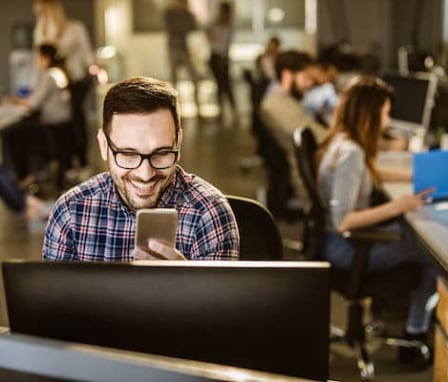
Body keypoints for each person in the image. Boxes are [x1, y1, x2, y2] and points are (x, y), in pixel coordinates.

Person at [42, 76, 240, 262]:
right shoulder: (70, 212)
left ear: (178, 143)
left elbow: (216, 300)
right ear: (104, 146)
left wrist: (187, 283)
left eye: (161, 153)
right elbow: (53, 299)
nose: (145, 174)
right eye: (128, 155)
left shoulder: (208, 214)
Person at [316, 75, 438, 365]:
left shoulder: (342, 142)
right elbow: (344, 220)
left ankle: (406, 323)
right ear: (369, 114)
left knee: (413, 234)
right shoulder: (351, 155)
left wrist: (411, 176)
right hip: (346, 248)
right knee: (432, 254)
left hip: (336, 241)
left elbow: (367, 176)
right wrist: (401, 204)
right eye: (384, 112)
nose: (387, 119)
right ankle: (415, 334)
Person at [33, 0, 96, 173]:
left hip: (75, 82)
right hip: (53, 85)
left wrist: (94, 70)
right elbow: (40, 59)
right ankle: (66, 163)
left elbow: (87, 54)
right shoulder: (40, 30)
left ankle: (83, 161)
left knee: (76, 120)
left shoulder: (74, 29)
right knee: (61, 126)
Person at [260, 50, 327, 211]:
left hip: (314, 174)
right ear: (288, 75)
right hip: (306, 187)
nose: (310, 84)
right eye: (306, 78)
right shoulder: (276, 105)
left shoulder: (286, 100)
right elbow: (322, 137)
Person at [2, 43, 72, 189]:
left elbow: (34, 103)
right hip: (55, 122)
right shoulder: (54, 73)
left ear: (45, 58)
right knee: (15, 131)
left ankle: (26, 175)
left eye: (37, 57)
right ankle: (25, 174)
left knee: (12, 133)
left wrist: (13, 101)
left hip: (54, 123)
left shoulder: (49, 75)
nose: (36, 61)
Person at [164, 0, 201, 118]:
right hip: (173, 48)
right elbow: (170, 28)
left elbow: (193, 27)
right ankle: (175, 108)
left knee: (194, 78)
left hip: (185, 48)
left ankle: (197, 106)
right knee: (174, 81)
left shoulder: (187, 15)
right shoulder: (170, 14)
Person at [206, 1, 236, 123]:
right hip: (216, 56)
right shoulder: (215, 25)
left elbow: (225, 43)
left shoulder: (228, 26)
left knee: (226, 85)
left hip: (223, 57)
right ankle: (222, 111)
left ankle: (232, 110)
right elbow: (209, 37)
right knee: (220, 85)